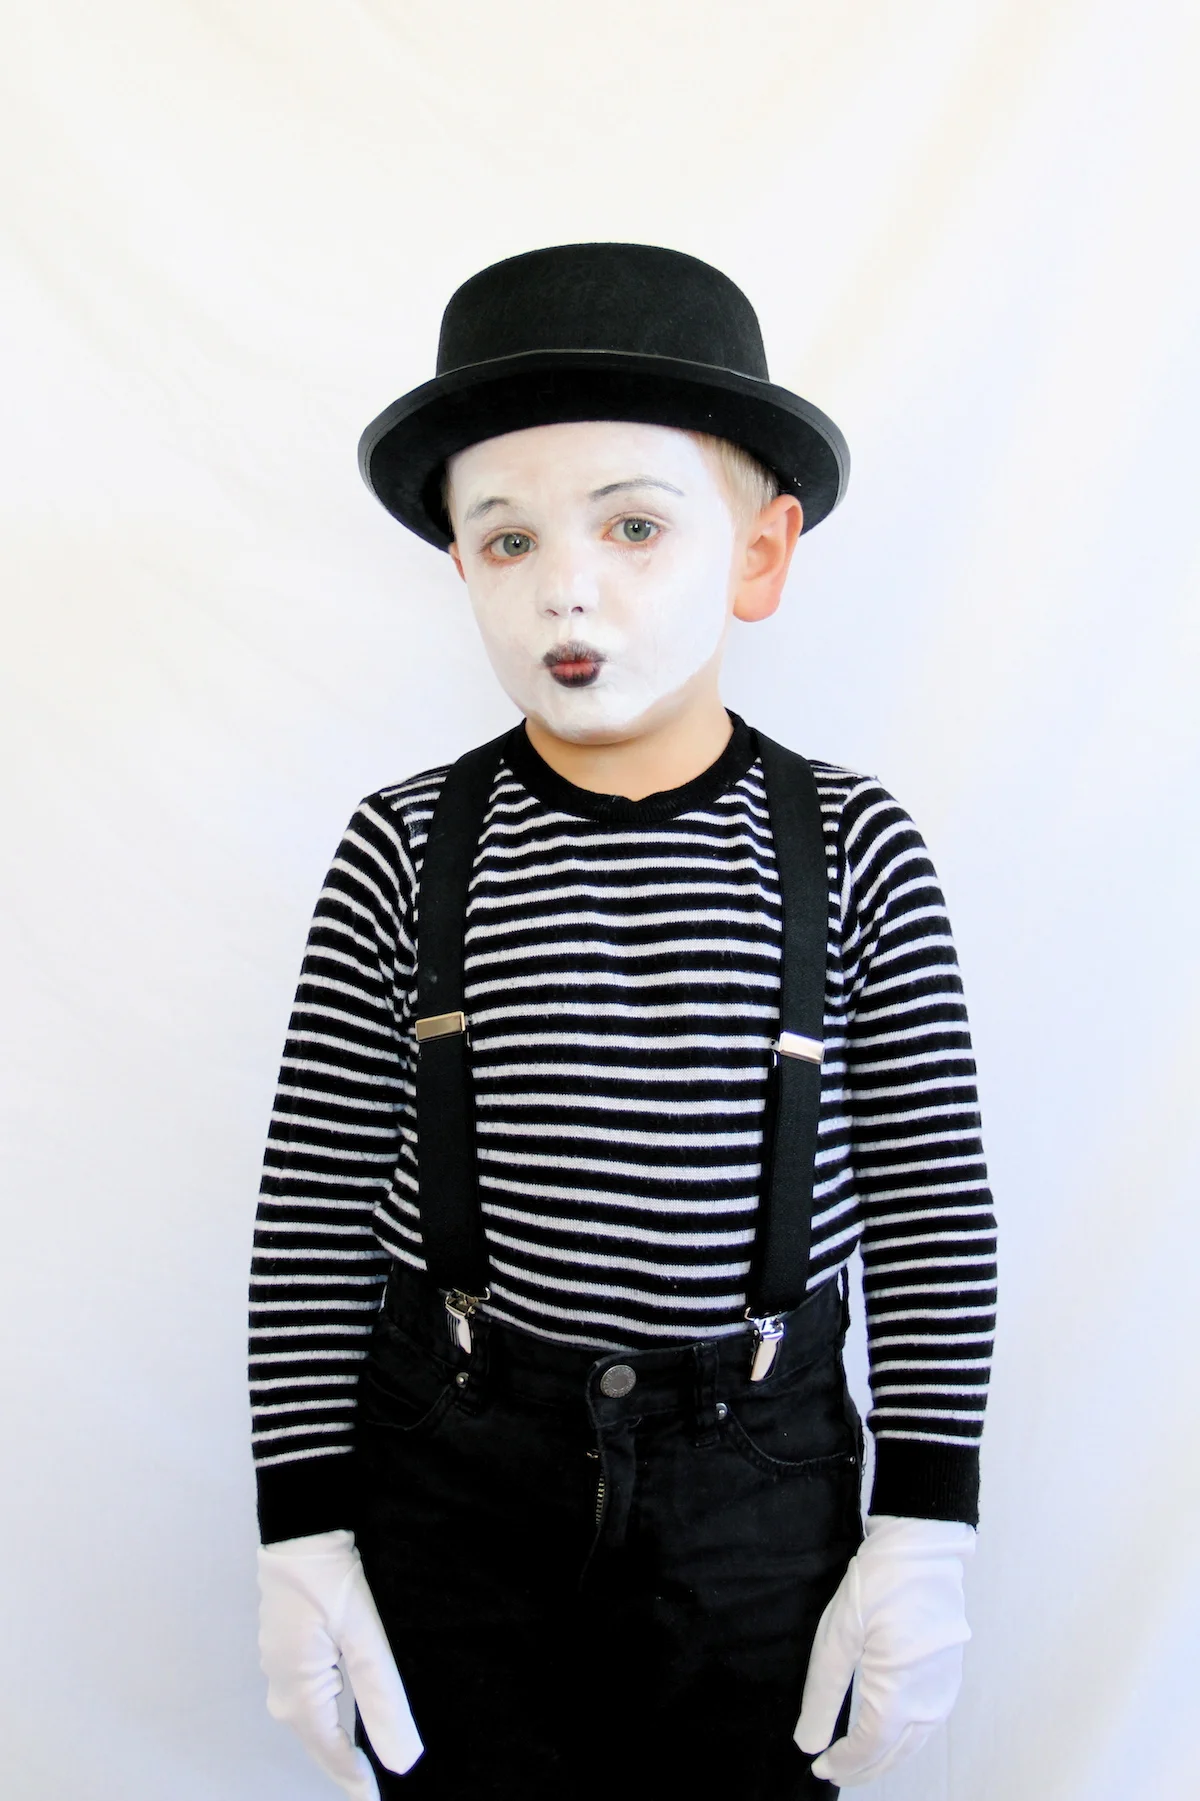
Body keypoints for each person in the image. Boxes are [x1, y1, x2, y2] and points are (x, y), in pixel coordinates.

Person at [250, 242, 997, 1800]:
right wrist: (301, 1528)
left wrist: (927, 1522)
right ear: (460, 567)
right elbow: (314, 1203)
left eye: (635, 525)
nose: (565, 586)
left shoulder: (854, 847)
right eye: (507, 537)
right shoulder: (404, 847)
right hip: (455, 1474)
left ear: (760, 555)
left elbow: (931, 1203)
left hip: (758, 1489)